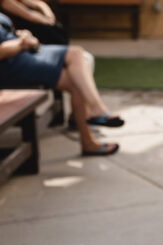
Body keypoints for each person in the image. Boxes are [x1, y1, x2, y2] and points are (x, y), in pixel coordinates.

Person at [0, 12, 123, 156]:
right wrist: (22, 43)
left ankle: (89, 140)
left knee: (77, 81)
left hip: (22, 55)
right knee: (75, 54)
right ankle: (97, 111)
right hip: (11, 65)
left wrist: (23, 35)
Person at [0, 0, 68, 45]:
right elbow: (28, 15)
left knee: (55, 29)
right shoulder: (5, 2)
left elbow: (40, 4)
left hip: (31, 23)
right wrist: (48, 21)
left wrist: (49, 16)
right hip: (18, 31)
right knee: (52, 32)